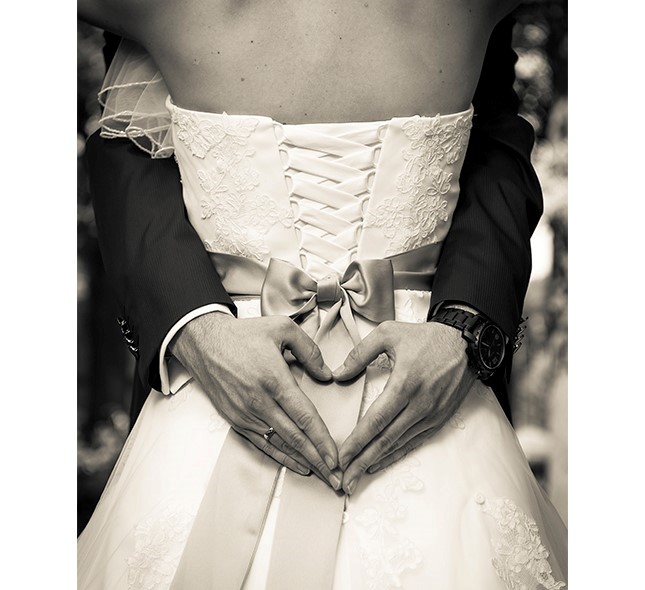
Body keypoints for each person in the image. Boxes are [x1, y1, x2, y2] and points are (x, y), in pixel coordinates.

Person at [78, 1, 567, 588]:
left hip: (427, 373)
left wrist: (465, 328)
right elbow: (126, 148)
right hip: (225, 367)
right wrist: (195, 326)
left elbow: (494, 146)